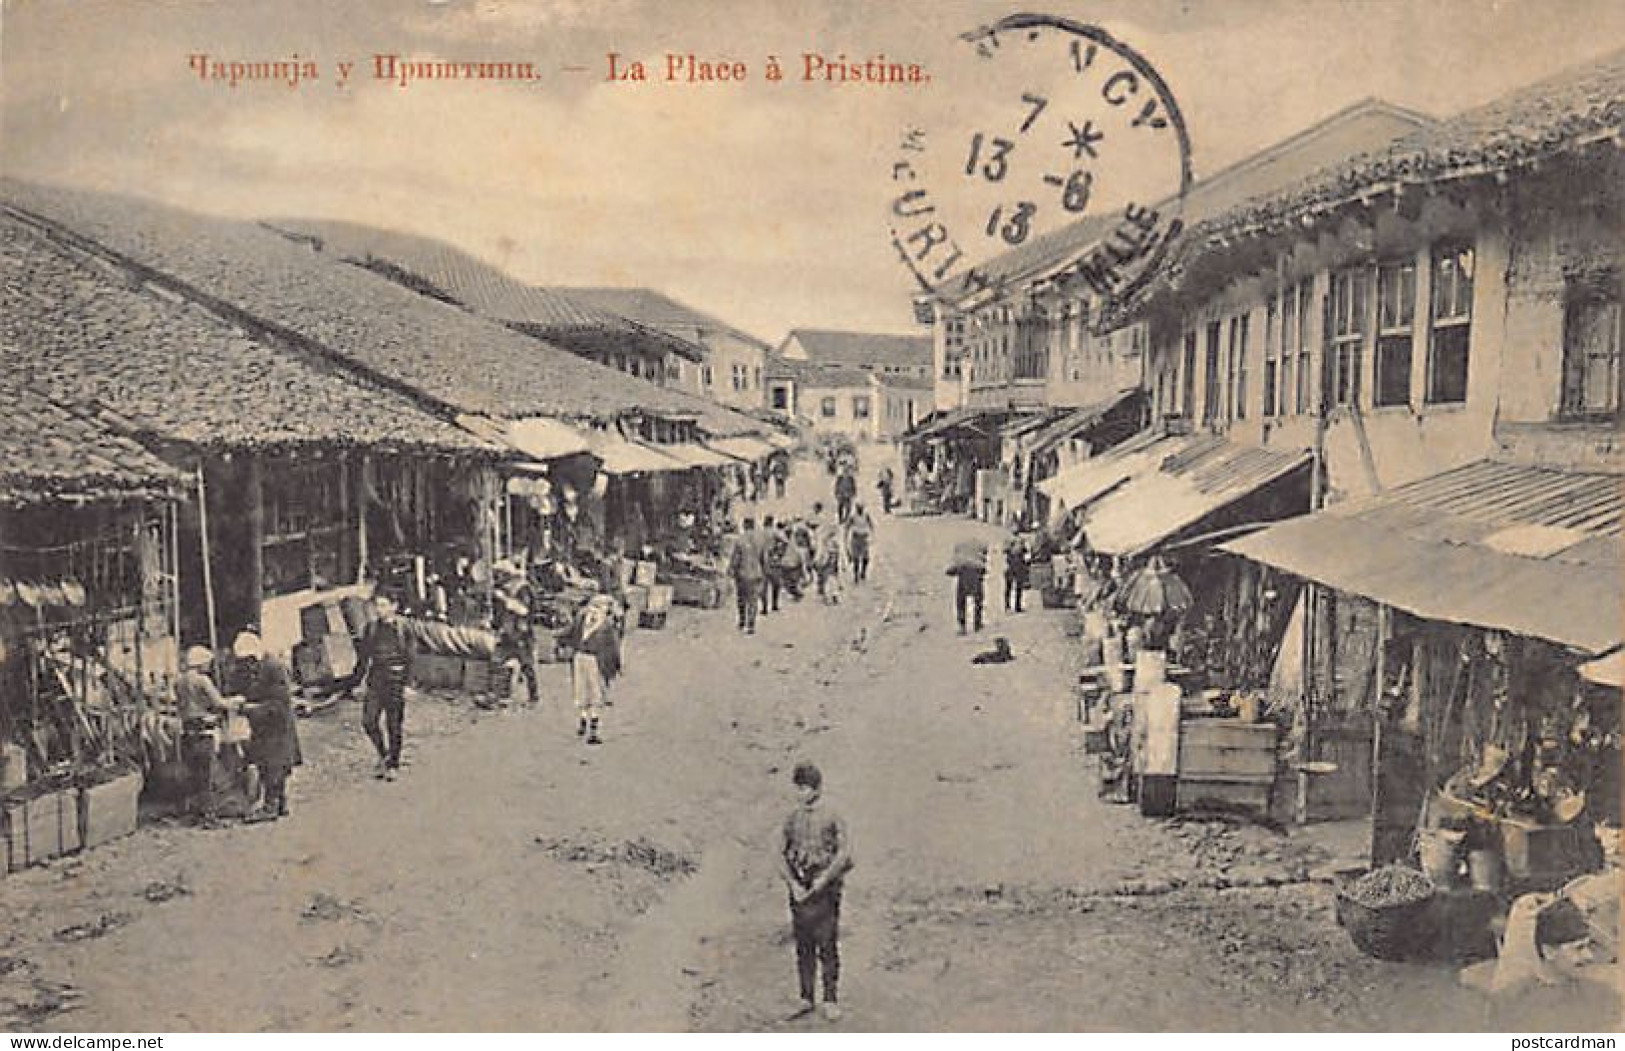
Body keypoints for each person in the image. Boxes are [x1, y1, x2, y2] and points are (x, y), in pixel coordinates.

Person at [778, 761, 853, 1022]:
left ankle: (830, 998)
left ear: (817, 788)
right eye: (798, 787)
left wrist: (823, 881)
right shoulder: (792, 818)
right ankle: (805, 997)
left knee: (827, 943)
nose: (801, 793)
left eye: (806, 787)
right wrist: (794, 885)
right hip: (800, 887)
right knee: (803, 943)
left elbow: (844, 853)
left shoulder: (832, 815)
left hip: (826, 889)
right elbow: (779, 854)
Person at [233, 631, 303, 822]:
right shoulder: (255, 668)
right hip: (264, 726)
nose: (246, 663)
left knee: (274, 765)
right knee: (268, 764)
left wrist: (249, 709)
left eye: (248, 659)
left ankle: (270, 807)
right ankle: (280, 803)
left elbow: (279, 703)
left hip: (277, 725)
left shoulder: (273, 668)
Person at [354, 591, 413, 781]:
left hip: (396, 680)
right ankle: (383, 754)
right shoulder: (371, 629)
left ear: (394, 606)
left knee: (394, 725)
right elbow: (363, 658)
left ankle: (393, 764)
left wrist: (408, 684)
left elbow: (412, 658)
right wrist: (357, 683)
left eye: (384, 605)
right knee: (369, 721)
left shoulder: (404, 628)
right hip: (376, 680)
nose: (380, 610)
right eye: (377, 606)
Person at [175, 644, 232, 822]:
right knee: (207, 774)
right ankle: (208, 813)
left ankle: (192, 810)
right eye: (207, 662)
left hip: (187, 730)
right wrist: (237, 701)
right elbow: (219, 703)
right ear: (201, 663)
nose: (209, 666)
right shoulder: (202, 681)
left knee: (193, 773)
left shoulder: (179, 681)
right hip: (203, 730)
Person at [565, 593, 622, 745]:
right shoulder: (599, 623)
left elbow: (613, 648)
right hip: (588, 658)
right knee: (588, 691)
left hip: (588, 658)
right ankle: (588, 724)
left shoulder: (598, 623)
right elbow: (613, 647)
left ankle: (588, 724)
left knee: (588, 691)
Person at [493, 565, 540, 707]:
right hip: (507, 631)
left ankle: (534, 697)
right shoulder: (505, 588)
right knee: (498, 661)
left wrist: (505, 600)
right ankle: (501, 695)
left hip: (521, 633)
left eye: (500, 574)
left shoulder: (522, 589)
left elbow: (524, 610)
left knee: (526, 665)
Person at [728, 516, 770, 634]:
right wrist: (765, 571)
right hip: (756, 573)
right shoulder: (760, 540)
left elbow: (735, 558)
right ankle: (751, 625)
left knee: (741, 598)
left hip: (742, 574)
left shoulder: (740, 540)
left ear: (744, 525)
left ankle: (742, 621)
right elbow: (764, 558)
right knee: (753, 600)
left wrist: (731, 570)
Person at [946, 538, 988, 634]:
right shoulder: (980, 552)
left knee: (960, 601)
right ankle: (977, 623)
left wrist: (951, 570)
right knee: (978, 601)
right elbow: (984, 566)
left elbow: (953, 568)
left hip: (963, 576)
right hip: (975, 576)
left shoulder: (960, 553)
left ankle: (962, 625)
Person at [813, 513, 844, 605]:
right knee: (831, 578)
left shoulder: (825, 541)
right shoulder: (833, 541)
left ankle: (829, 596)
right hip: (831, 560)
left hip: (827, 560)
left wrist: (818, 559)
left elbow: (821, 551)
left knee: (827, 578)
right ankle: (833, 596)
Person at [761, 515, 785, 614]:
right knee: (776, 583)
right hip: (773, 559)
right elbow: (785, 542)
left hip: (762, 559)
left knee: (764, 584)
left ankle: (764, 607)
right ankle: (774, 604)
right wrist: (779, 552)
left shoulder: (760, 533)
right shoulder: (775, 532)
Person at [845, 504, 874, 584]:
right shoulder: (853, 517)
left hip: (864, 537)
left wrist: (871, 536)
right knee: (856, 558)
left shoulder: (866, 516)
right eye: (858, 508)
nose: (860, 509)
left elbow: (871, 526)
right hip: (856, 537)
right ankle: (856, 575)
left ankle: (863, 572)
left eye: (861, 508)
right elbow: (847, 527)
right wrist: (846, 538)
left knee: (866, 558)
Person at [1003, 532, 1031, 613]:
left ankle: (1008, 605)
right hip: (1018, 565)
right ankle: (1016, 606)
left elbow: (1005, 551)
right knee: (1017, 587)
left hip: (1012, 565)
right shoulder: (1021, 540)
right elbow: (1025, 551)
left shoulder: (1008, 541)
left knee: (1010, 586)